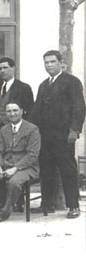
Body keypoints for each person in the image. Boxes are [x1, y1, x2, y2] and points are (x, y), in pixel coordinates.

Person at [30, 50, 85, 218]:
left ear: (61, 63)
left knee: (67, 170)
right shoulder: (43, 85)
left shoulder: (71, 82)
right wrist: (32, 133)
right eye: (46, 62)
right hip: (45, 136)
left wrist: (74, 131)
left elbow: (79, 107)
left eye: (52, 62)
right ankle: (47, 204)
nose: (49, 65)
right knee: (46, 170)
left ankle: (73, 206)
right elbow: (36, 111)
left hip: (64, 136)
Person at [0, 57, 34, 127]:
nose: (2, 71)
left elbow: (29, 111)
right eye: (0, 69)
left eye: (5, 68)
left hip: (15, 127)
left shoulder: (23, 88)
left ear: (13, 68)